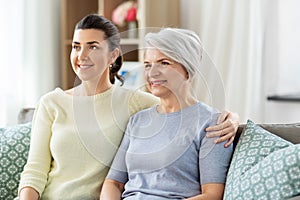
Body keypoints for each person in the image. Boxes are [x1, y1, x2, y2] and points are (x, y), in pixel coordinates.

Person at [17, 14, 238, 200]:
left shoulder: (134, 103)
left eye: (92, 47)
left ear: (113, 55)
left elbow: (184, 110)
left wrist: (232, 119)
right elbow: (36, 170)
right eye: (76, 47)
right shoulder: (53, 103)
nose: (82, 56)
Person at [100, 28, 234, 200]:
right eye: (148, 65)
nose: (152, 73)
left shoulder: (213, 124)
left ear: (187, 69)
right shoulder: (138, 120)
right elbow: (113, 183)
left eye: (164, 63)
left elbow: (212, 195)